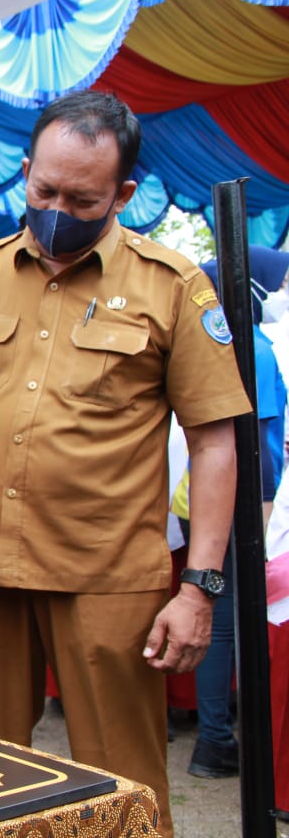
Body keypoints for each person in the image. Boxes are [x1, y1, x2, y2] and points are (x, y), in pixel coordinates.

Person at [0, 90, 248, 838]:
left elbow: (215, 442)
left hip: (109, 578)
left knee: (123, 793)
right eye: (45, 190)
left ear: (123, 194)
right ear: (26, 171)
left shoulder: (171, 285)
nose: (56, 210)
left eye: (81, 199)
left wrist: (199, 588)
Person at [173, 249, 288, 779]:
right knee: (230, 620)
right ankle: (222, 739)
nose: (281, 292)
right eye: (277, 283)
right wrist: (261, 525)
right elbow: (256, 449)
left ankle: (215, 738)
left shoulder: (221, 341)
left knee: (220, 619)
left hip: (201, 498)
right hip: (237, 504)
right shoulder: (252, 349)